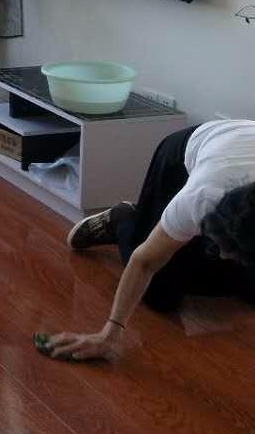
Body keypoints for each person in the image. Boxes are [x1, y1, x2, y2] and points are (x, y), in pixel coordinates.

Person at [41, 119, 255, 361]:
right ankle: (124, 220)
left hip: (234, 155)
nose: (224, 255)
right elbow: (144, 263)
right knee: (160, 293)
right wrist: (108, 335)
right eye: (223, 246)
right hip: (186, 153)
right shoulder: (201, 198)